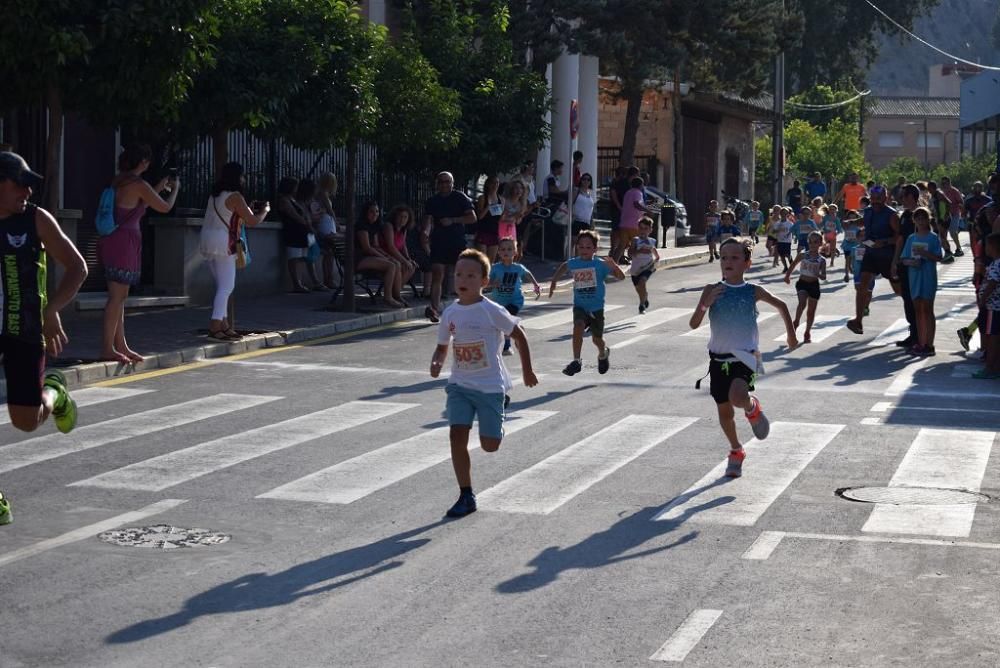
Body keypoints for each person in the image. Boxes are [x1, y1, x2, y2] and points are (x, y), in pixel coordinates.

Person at [0, 152, 88, 525]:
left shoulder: (35, 219)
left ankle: (54, 391)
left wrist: (52, 310)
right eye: (20, 182)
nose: (28, 189)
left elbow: (77, 267)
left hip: (24, 330)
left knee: (26, 420)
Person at [430, 248, 537, 518]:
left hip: (490, 387)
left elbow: (520, 336)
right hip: (460, 385)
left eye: (470, 275)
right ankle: (466, 494)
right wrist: (436, 361)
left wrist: (527, 371)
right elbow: (443, 346)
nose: (462, 279)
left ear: (484, 281)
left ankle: (501, 410)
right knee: (456, 435)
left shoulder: (492, 311)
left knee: (490, 445)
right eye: (458, 274)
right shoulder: (450, 313)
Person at [689, 237, 797, 478]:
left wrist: (791, 336)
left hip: (746, 356)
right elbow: (694, 323)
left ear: (747, 263)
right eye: (724, 257)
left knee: (738, 396)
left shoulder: (753, 291)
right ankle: (736, 450)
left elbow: (782, 306)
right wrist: (705, 304)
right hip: (718, 359)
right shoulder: (711, 290)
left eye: (735, 258)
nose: (728, 262)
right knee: (725, 413)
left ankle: (752, 408)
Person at [99, 144, 179, 363]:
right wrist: (175, 189)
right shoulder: (139, 184)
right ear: (142, 162)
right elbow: (163, 207)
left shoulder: (119, 181)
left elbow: (137, 206)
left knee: (120, 296)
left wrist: (158, 186)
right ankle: (107, 347)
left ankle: (120, 345)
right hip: (125, 242)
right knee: (117, 296)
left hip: (113, 239)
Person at [200, 162, 269, 340]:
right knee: (227, 286)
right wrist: (265, 211)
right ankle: (215, 326)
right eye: (242, 175)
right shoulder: (236, 196)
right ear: (237, 177)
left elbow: (233, 216)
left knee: (221, 286)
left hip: (208, 240)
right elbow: (253, 221)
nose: (244, 179)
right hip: (223, 242)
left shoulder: (215, 195)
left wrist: (249, 209)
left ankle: (224, 325)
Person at [548, 229, 625, 376]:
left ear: (595, 249)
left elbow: (621, 277)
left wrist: (614, 266)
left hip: (596, 308)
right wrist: (554, 281)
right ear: (577, 247)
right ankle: (576, 361)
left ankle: (603, 353)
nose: (584, 250)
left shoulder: (600, 264)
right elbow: (564, 266)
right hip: (580, 306)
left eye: (588, 247)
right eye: (581, 247)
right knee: (578, 326)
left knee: (597, 340)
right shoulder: (574, 263)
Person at [846, 186, 899, 335]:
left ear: (885, 198)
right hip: (870, 254)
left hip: (887, 256)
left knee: (899, 290)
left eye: (879, 199)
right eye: (873, 199)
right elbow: (864, 221)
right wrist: (851, 222)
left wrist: (885, 242)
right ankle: (858, 321)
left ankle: (913, 316)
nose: (875, 202)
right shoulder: (868, 211)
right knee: (862, 286)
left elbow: (899, 237)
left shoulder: (892, 215)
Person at [424, 171, 477, 321]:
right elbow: (428, 220)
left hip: (456, 241)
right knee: (437, 274)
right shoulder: (432, 201)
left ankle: (465, 307)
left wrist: (453, 220)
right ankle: (434, 309)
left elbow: (472, 218)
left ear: (452, 183)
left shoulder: (460, 198)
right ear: (437, 184)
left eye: (447, 182)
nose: (444, 185)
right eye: (441, 182)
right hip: (439, 242)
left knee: (458, 276)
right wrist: (425, 232)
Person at [900, 206, 943, 356]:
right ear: (914, 220)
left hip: (928, 276)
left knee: (928, 309)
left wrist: (925, 254)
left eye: (923, 218)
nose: (920, 221)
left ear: (927, 219)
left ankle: (929, 345)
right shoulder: (911, 238)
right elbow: (904, 258)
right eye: (917, 218)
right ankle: (921, 342)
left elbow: (939, 257)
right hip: (914, 276)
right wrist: (911, 262)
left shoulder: (933, 237)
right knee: (918, 310)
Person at [487, 238, 540, 355]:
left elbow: (528, 274)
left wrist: (536, 285)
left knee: (507, 318)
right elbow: (486, 282)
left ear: (515, 252)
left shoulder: (518, 268)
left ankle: (507, 346)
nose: (506, 251)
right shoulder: (495, 268)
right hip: (499, 301)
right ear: (499, 252)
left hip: (515, 301)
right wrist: (492, 284)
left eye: (510, 249)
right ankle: (518, 330)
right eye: (503, 249)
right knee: (502, 322)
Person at [355, 201, 405, 309]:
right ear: (365, 213)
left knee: (396, 263)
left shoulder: (375, 226)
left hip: (370, 257)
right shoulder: (361, 226)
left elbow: (376, 246)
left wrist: (388, 257)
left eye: (377, 212)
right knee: (391, 265)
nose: (375, 214)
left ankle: (397, 295)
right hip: (358, 258)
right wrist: (384, 258)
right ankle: (388, 298)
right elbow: (367, 248)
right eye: (371, 212)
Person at [891, 184, 922, 348]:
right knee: (908, 300)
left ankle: (920, 336)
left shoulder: (921, 215)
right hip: (904, 262)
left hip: (917, 264)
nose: (900, 199)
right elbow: (900, 239)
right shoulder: (904, 215)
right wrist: (895, 261)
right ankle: (913, 335)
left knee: (917, 300)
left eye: (903, 196)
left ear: (911, 196)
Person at [784, 231, 827, 343]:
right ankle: (796, 321)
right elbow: (793, 265)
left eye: (816, 242)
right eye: (810, 242)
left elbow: (823, 277)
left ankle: (807, 332)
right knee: (802, 303)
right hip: (802, 283)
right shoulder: (803, 255)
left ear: (820, 244)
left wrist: (818, 274)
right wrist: (787, 276)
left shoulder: (822, 260)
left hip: (814, 285)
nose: (812, 244)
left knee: (811, 312)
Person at [276, 176, 315, 293]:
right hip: (292, 231)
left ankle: (300, 282)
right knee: (294, 257)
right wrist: (306, 223)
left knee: (301, 257)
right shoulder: (284, 200)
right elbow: (294, 214)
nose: (297, 189)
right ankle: (296, 284)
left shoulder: (292, 199)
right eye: (295, 186)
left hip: (301, 232)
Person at [973, 233, 1000, 378]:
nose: (986, 248)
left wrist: (983, 298)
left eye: (988, 245)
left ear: (994, 247)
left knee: (992, 337)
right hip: (995, 307)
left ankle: (990, 367)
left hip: (993, 307)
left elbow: (992, 282)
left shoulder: (997, 263)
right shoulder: (995, 263)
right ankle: (995, 366)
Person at [380, 204, 418, 300]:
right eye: (400, 217)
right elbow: (391, 247)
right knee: (401, 265)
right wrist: (404, 261)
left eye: (405, 217)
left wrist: (408, 259)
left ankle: (396, 291)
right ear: (395, 217)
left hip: (396, 255)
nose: (403, 220)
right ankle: (396, 295)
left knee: (412, 266)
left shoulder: (403, 230)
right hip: (385, 255)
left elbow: (403, 246)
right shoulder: (389, 226)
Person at [294, 179, 327, 291]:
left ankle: (314, 281)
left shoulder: (305, 203)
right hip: (304, 232)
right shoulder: (299, 203)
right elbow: (305, 219)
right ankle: (310, 281)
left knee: (310, 257)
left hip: (309, 232)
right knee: (305, 258)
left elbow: (309, 218)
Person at [614, 176, 656, 263]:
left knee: (622, 245)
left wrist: (647, 206)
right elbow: (636, 204)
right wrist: (648, 211)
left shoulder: (628, 193)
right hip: (634, 224)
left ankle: (614, 264)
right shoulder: (638, 193)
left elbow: (635, 205)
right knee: (637, 245)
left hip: (624, 223)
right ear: (641, 185)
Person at [313, 172, 340, 289]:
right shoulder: (323, 194)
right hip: (326, 223)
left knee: (330, 254)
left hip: (327, 222)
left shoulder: (322, 194)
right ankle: (328, 279)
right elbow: (329, 210)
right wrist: (336, 222)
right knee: (329, 252)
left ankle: (329, 278)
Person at [629, 217, 660, 314]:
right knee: (639, 289)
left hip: (648, 267)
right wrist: (639, 251)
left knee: (642, 282)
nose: (643, 231)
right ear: (638, 229)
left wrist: (657, 258)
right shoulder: (635, 240)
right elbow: (630, 253)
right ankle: (644, 297)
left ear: (650, 230)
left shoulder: (652, 241)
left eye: (646, 228)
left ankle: (641, 305)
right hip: (635, 269)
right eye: (641, 228)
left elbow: (654, 250)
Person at [474, 175, 502, 262]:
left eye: (497, 183)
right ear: (488, 184)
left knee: (491, 262)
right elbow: (479, 216)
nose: (495, 185)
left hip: (495, 232)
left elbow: (501, 219)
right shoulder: (482, 198)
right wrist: (488, 207)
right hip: (483, 231)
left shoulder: (501, 199)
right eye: (493, 183)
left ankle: (488, 276)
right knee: (482, 261)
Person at [926, 180, 956, 263]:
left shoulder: (939, 194)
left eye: (929, 188)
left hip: (943, 218)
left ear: (933, 187)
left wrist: (946, 214)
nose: (928, 190)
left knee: (942, 236)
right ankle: (949, 255)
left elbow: (949, 203)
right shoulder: (933, 195)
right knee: (942, 236)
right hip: (939, 218)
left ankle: (948, 253)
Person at [939, 176, 965, 257]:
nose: (944, 185)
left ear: (949, 183)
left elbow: (961, 202)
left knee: (953, 232)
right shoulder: (940, 192)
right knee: (943, 234)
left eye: (945, 183)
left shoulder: (954, 191)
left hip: (954, 214)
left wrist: (962, 212)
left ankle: (959, 248)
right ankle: (947, 251)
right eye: (942, 183)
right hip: (943, 216)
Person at [572, 172, 597, 237]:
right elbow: (570, 204)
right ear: (581, 180)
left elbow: (590, 210)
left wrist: (592, 223)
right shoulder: (576, 191)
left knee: (584, 243)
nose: (586, 181)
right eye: (584, 179)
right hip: (576, 221)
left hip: (587, 223)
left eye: (588, 180)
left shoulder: (590, 194)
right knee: (573, 242)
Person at [841, 210, 861, 282]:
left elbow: (861, 235)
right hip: (847, 244)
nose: (852, 218)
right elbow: (842, 224)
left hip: (855, 245)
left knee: (853, 260)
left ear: (856, 217)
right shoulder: (846, 224)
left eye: (853, 216)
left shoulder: (859, 225)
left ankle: (852, 269)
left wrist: (856, 239)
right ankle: (846, 275)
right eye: (850, 216)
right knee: (847, 260)